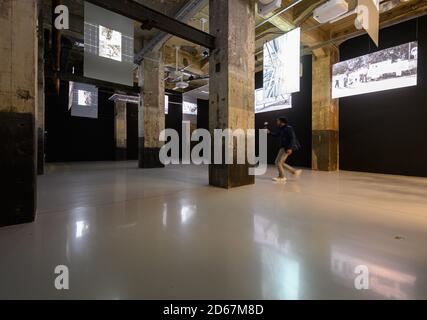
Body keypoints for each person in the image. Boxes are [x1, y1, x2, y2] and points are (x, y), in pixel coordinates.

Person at [266, 117, 302, 182]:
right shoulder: (282, 129)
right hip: (283, 147)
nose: (277, 122)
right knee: (280, 162)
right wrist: (269, 133)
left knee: (278, 162)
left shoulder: (288, 128)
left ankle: (282, 177)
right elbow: (276, 135)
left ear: (282, 122)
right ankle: (294, 171)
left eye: (278, 121)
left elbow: (292, 138)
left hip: (287, 147)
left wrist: (290, 148)